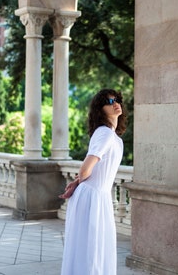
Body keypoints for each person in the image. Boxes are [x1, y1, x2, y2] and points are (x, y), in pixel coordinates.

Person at [60, 89, 127, 275]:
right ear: (100, 109)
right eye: (109, 101)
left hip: (100, 196)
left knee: (96, 249)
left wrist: (77, 183)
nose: (115, 103)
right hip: (92, 197)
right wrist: (79, 181)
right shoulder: (104, 133)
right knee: (91, 250)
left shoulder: (115, 138)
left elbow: (91, 171)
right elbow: (85, 169)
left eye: (117, 99)